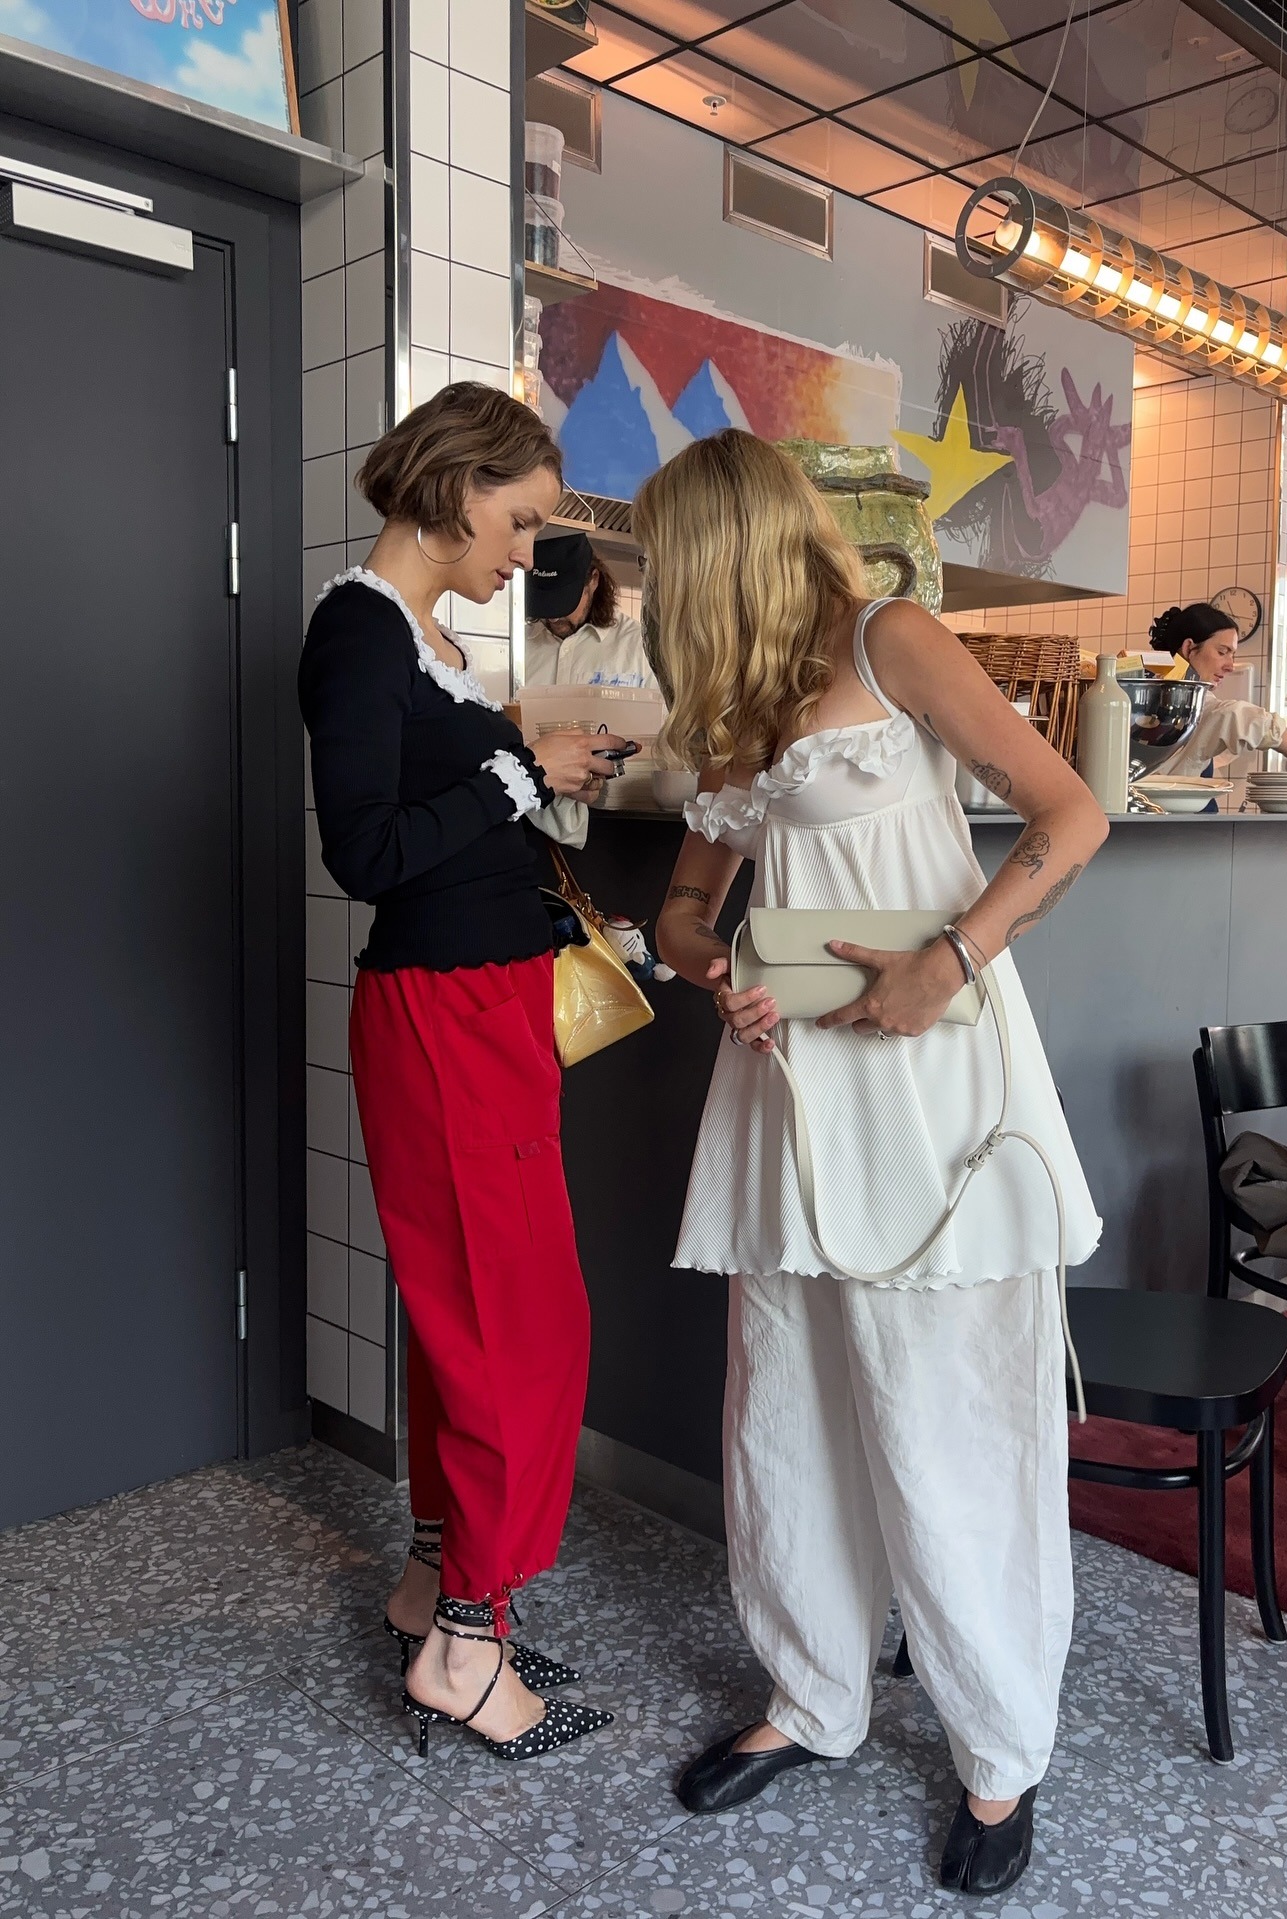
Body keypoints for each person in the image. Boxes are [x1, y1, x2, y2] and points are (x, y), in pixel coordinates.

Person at [640, 430, 1108, 1898]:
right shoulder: (728, 712)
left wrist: (944, 957)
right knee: (784, 1398)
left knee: (949, 1408)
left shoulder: (890, 637)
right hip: (789, 1080)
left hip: (933, 1071)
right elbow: (683, 914)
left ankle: (996, 1746)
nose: (655, 588)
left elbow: (1071, 814)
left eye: (664, 560)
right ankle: (814, 1696)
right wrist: (720, 969)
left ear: (721, 548)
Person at [297, 383, 622, 1761]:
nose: (529, 550)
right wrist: (518, 771)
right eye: (521, 516)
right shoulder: (358, 631)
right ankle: (469, 1647)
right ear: (451, 481)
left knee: (471, 1318)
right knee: (519, 1325)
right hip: (440, 1010)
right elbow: (362, 852)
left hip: (484, 1003)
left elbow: (453, 818)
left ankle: (436, 1583)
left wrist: (539, 773)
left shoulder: (425, 638)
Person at [1146, 603, 1287, 803]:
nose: (1230, 666)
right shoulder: (1168, 699)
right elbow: (1241, 717)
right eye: (1222, 652)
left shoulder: (1190, 697)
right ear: (1189, 647)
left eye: (1232, 654)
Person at [524, 529, 656, 687]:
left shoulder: (639, 647)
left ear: (593, 580)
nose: (553, 618)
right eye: (544, 603)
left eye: (563, 602)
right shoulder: (520, 647)